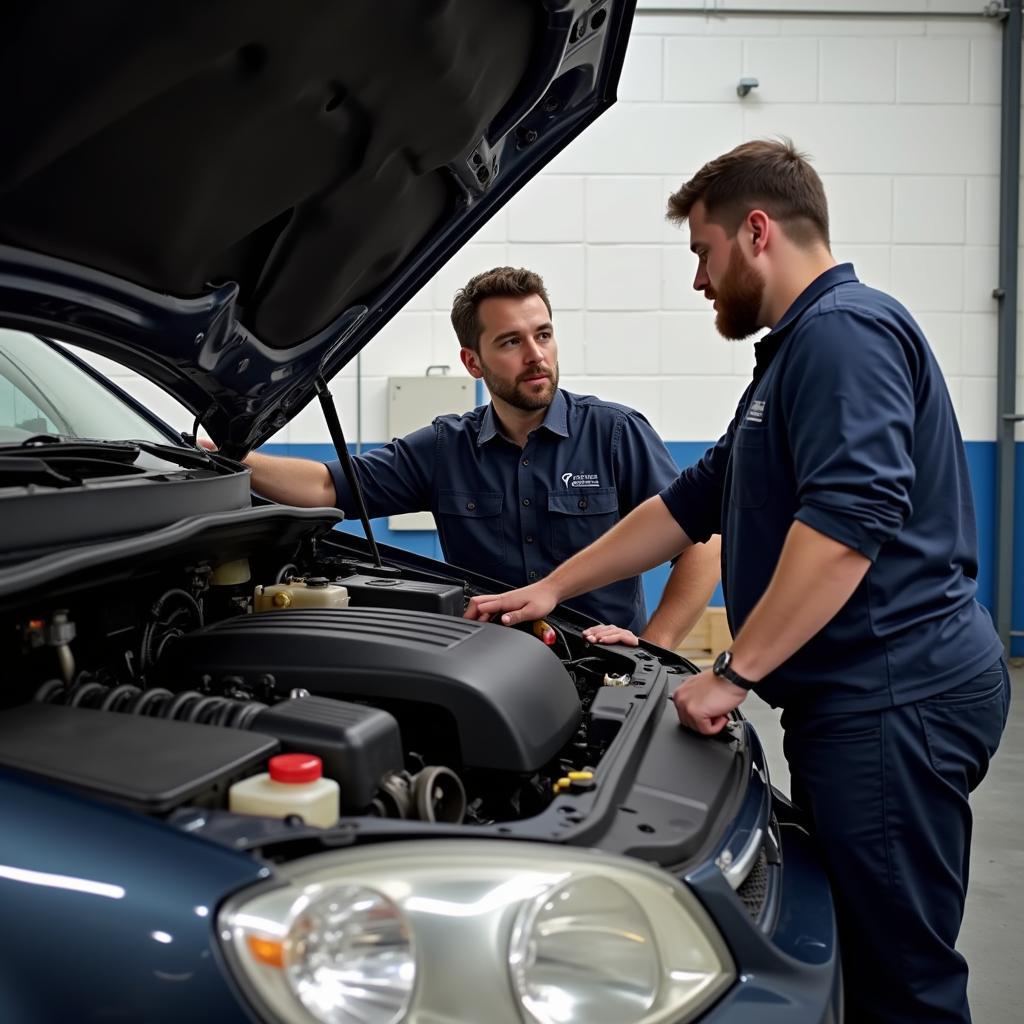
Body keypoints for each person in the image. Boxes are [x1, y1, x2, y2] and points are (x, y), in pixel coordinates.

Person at [465, 142, 1010, 1024]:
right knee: (872, 951)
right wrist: (551, 590)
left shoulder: (843, 334)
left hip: (892, 697)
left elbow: (847, 527)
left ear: (757, 232)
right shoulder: (796, 353)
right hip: (870, 695)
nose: (699, 282)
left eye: (702, 254)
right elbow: (690, 501)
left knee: (901, 976)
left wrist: (735, 674)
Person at [227, 265, 721, 647]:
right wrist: (229, 456)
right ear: (473, 362)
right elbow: (325, 487)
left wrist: (657, 647)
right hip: (486, 663)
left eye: (543, 334)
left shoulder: (616, 434)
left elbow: (703, 543)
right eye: (511, 341)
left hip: (603, 661)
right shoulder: (444, 449)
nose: (536, 355)